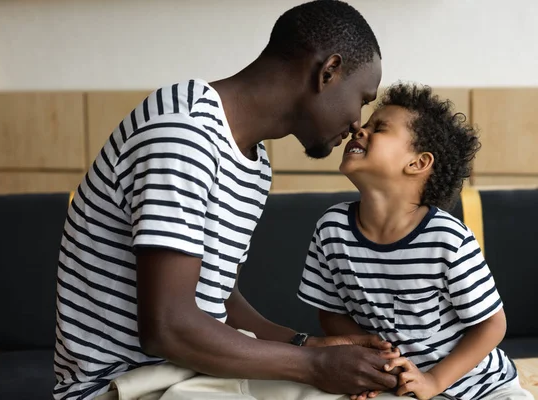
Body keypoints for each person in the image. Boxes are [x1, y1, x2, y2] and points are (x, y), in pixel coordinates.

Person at [53, 1, 402, 400]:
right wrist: (315, 367)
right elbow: (167, 327)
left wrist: (305, 345)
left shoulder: (254, 163)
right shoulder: (183, 132)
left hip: (191, 376)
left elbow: (219, 300)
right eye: (362, 98)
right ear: (328, 72)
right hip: (123, 388)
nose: (358, 122)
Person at [298, 83, 535, 400]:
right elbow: (330, 313)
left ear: (418, 163)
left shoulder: (447, 238)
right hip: (396, 386)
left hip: (479, 387)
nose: (359, 130)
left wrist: (434, 381)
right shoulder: (332, 228)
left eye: (378, 128)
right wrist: (369, 364)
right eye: (365, 124)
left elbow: (492, 326)